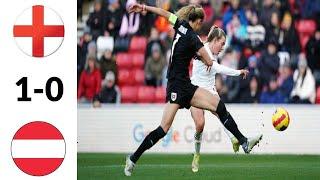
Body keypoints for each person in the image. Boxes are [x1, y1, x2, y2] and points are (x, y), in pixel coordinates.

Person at [124, 4, 262, 176]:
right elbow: (210, 62)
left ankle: (243, 142)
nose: (200, 25)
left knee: (218, 106)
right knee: (163, 129)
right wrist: (207, 58)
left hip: (184, 86)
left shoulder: (180, 24)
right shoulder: (193, 38)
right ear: (195, 21)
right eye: (200, 22)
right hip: (177, 87)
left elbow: (164, 13)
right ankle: (132, 158)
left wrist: (144, 7)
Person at [189, 26, 250, 172]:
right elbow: (219, 68)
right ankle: (196, 154)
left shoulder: (212, 49)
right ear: (215, 40)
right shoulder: (202, 50)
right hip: (195, 90)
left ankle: (234, 139)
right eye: (222, 44)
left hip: (210, 90)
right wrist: (238, 72)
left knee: (222, 113)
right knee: (200, 124)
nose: (222, 48)